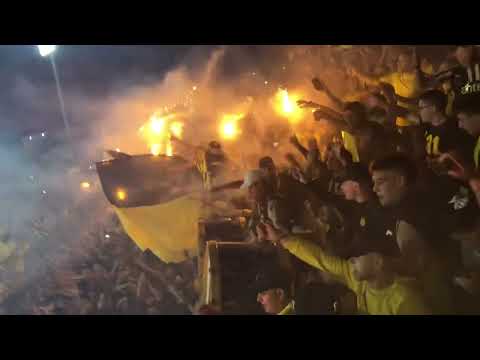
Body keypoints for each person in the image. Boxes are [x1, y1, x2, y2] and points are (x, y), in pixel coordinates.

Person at [257, 223, 430, 315]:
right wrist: (283, 239)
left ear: (378, 262)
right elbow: (321, 259)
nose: (352, 260)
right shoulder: (358, 283)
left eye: (358, 257)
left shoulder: (404, 298)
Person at [370, 154, 456, 314]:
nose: (375, 188)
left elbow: (414, 266)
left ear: (401, 181)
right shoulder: (417, 203)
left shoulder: (409, 217)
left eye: (381, 181)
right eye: (374, 183)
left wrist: (376, 263)